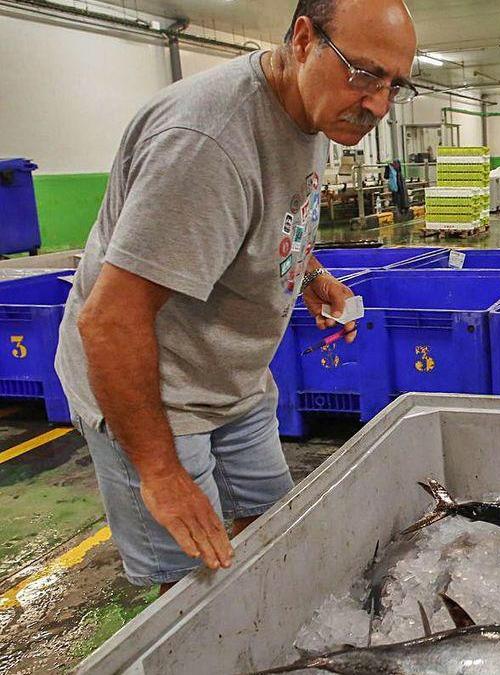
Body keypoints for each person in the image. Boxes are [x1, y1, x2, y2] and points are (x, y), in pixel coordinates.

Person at [54, 0, 418, 590]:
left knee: (273, 535)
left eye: (395, 85)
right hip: (158, 398)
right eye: (365, 73)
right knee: (189, 585)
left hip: (234, 385)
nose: (378, 103)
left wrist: (309, 274)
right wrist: (160, 470)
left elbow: (268, 217)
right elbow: (110, 320)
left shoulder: (313, 109)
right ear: (303, 39)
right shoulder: (206, 144)